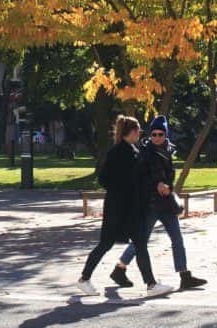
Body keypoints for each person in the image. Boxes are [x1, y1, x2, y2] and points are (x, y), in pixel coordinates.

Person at [76, 115, 175, 299]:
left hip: (126, 209)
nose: (140, 133)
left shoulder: (131, 150)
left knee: (138, 243)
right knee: (108, 244)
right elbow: (105, 179)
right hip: (120, 209)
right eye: (138, 130)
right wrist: (123, 191)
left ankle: (151, 283)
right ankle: (85, 278)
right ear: (131, 132)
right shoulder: (119, 152)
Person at [110, 115, 207, 291]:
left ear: (166, 135)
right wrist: (156, 185)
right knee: (141, 242)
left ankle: (185, 276)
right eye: (153, 134)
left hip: (166, 203)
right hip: (150, 205)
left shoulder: (168, 151)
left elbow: (170, 176)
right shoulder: (144, 152)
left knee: (177, 239)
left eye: (160, 134)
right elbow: (139, 178)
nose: (156, 137)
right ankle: (120, 269)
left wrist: (168, 186)